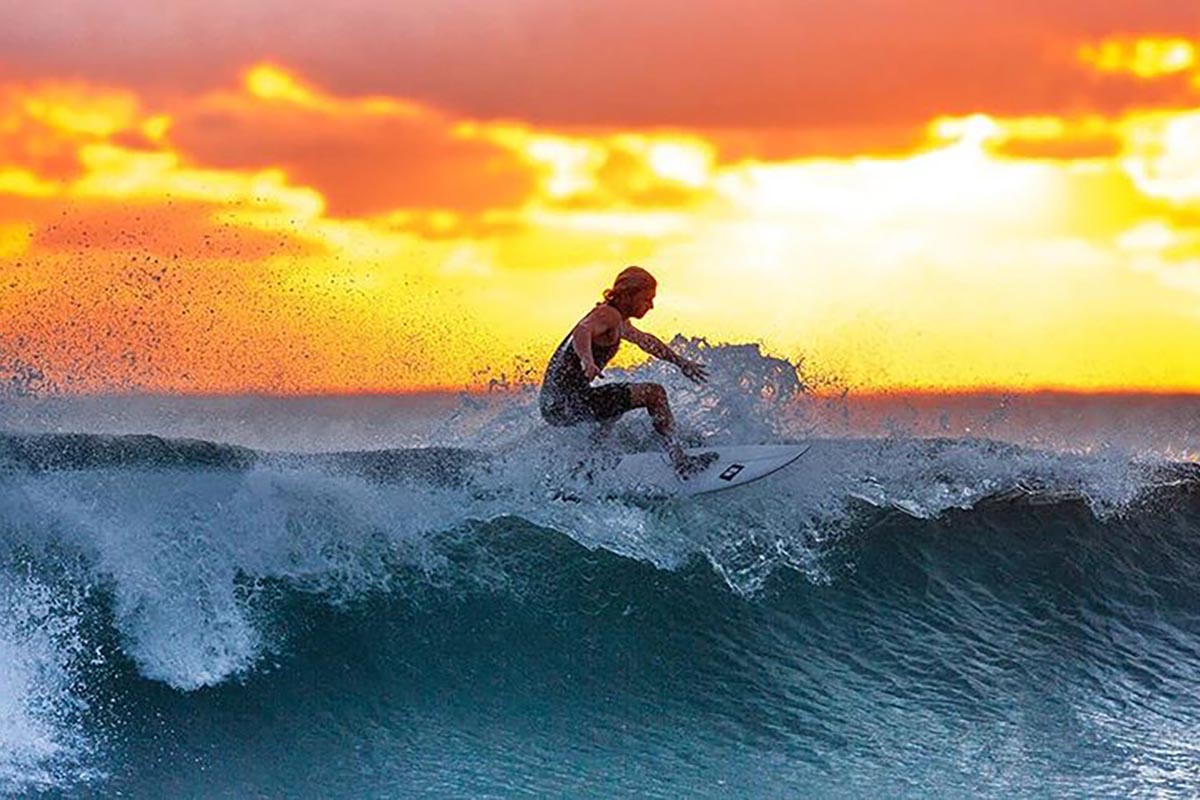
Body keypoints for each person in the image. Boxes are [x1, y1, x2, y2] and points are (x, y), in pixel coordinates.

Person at [539, 266, 718, 477]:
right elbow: (582, 330)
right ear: (627, 296)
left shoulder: (617, 320)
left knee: (615, 406)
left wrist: (680, 362)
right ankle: (680, 461)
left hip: (555, 405)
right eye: (646, 299)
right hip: (567, 403)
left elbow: (646, 341)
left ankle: (586, 468)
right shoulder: (608, 315)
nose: (650, 306)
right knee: (654, 394)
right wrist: (587, 360)